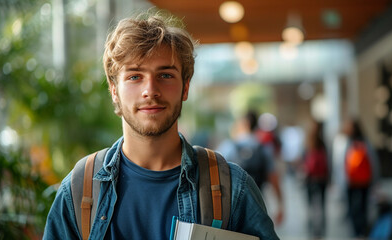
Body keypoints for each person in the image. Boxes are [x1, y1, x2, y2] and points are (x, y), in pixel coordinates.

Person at [43, 12, 279, 240]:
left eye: (165, 75)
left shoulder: (231, 188)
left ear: (185, 87)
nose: (150, 91)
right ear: (114, 90)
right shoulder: (80, 189)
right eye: (135, 76)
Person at [217, 110, 284, 225]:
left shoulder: (229, 146)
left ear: (244, 124)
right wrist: (280, 206)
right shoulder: (264, 148)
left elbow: (214, 172)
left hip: (231, 207)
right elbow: (274, 178)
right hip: (258, 204)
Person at [342, 119, 379, 238]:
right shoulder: (365, 142)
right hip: (364, 180)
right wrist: (375, 179)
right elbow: (373, 161)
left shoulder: (349, 142)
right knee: (363, 207)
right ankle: (362, 231)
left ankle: (357, 231)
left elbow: (344, 162)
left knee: (353, 208)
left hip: (352, 181)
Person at [301, 120, 329, 239]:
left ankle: (311, 228)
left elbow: (303, 161)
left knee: (310, 205)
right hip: (322, 178)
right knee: (321, 205)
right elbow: (327, 162)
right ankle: (321, 230)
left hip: (310, 179)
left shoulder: (307, 143)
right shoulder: (323, 143)